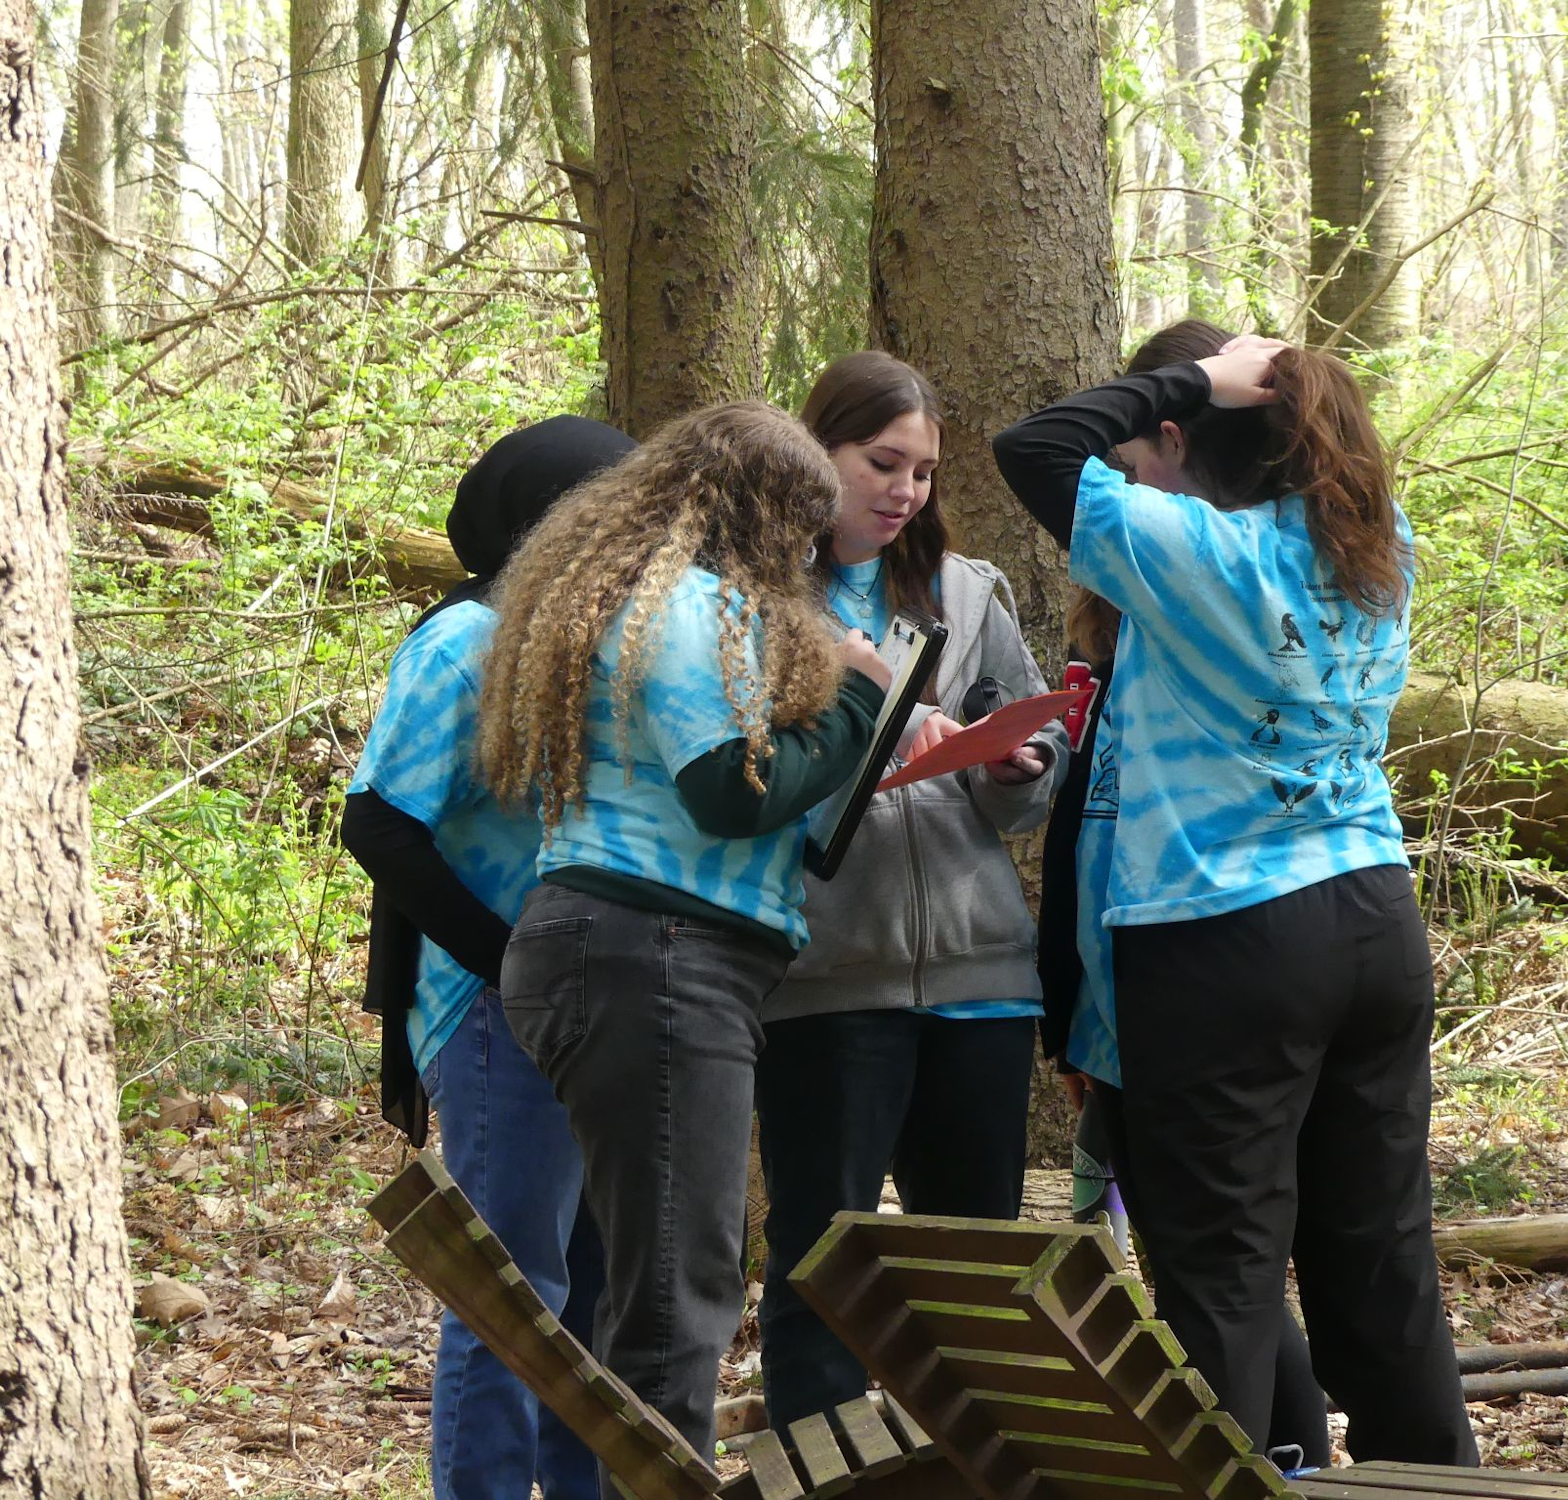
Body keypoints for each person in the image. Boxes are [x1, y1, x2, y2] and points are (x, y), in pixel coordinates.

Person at [993, 320, 1477, 1466]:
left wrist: (1192, 378)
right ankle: (1441, 1482)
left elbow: (1032, 448)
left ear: (1175, 436)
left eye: (1145, 449)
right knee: (1380, 1256)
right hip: (1370, 912)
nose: (1126, 474)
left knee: (1218, 1276)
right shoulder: (1372, 540)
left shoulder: (1197, 554)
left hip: (1224, 940)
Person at [476, 401, 894, 1469]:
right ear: (759, 515)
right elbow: (726, 791)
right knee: (678, 1299)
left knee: (655, 1288)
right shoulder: (683, 609)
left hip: (643, 956)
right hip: (650, 956)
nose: (808, 555)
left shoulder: (660, 598)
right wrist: (854, 705)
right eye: (802, 528)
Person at [755, 351, 1068, 1431]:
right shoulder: (746, 595)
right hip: (827, 974)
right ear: (816, 453)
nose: (903, 491)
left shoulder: (966, 592)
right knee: (820, 1257)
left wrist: (1013, 766)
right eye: (880, 462)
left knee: (975, 1269)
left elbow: (1029, 781)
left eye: (923, 473)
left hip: (981, 976)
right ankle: (818, 1462)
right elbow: (733, 778)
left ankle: (975, 1465)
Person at [342, 415, 633, 1500]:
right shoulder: (464, 644)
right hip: (493, 1010)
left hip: (592, 1005)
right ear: (541, 526)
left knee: (593, 1299)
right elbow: (377, 824)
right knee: (515, 1298)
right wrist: (513, 963)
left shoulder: (593, 641)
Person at [1041, 597, 1332, 1478]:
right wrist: (1071, 1027)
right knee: (1193, 1259)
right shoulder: (1101, 666)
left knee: (1220, 1265)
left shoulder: (1223, 650)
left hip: (1206, 998)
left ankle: (1288, 1458)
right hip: (1113, 1012)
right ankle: (1279, 1456)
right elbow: (1074, 849)